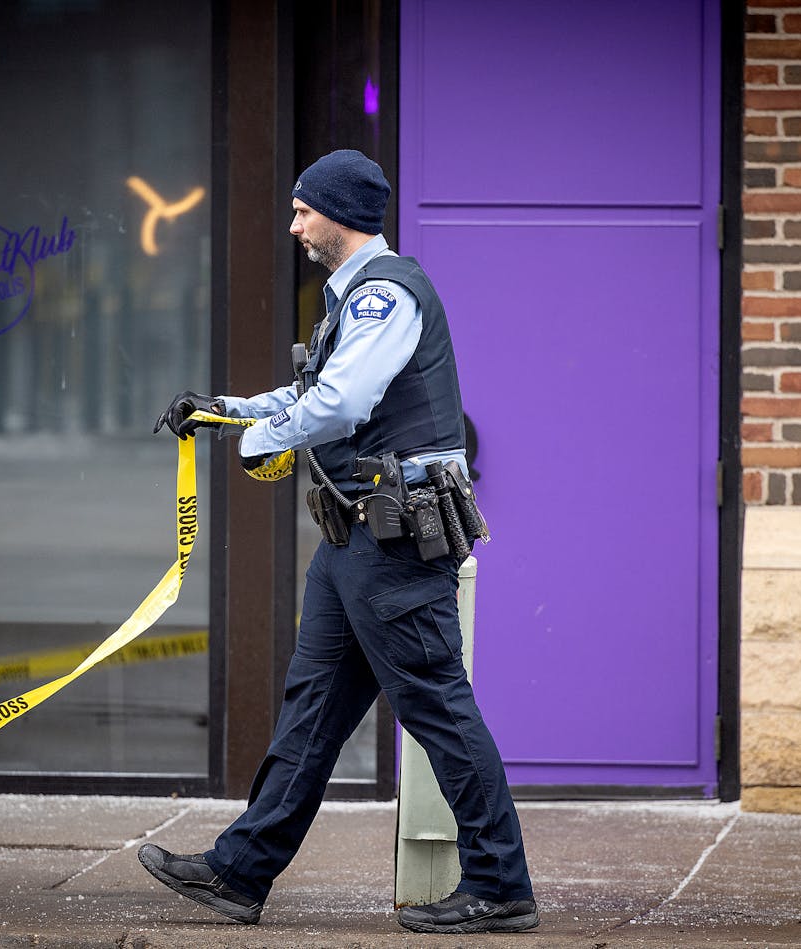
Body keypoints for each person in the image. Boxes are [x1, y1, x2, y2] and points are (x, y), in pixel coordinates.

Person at [140, 149, 537, 935]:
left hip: (393, 542)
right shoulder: (351, 300)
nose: (292, 224)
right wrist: (224, 410)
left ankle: (500, 882)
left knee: (438, 710)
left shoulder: (384, 296)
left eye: (301, 211)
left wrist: (264, 441)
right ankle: (239, 871)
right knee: (312, 710)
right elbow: (309, 392)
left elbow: (341, 401)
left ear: (341, 214)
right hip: (354, 538)